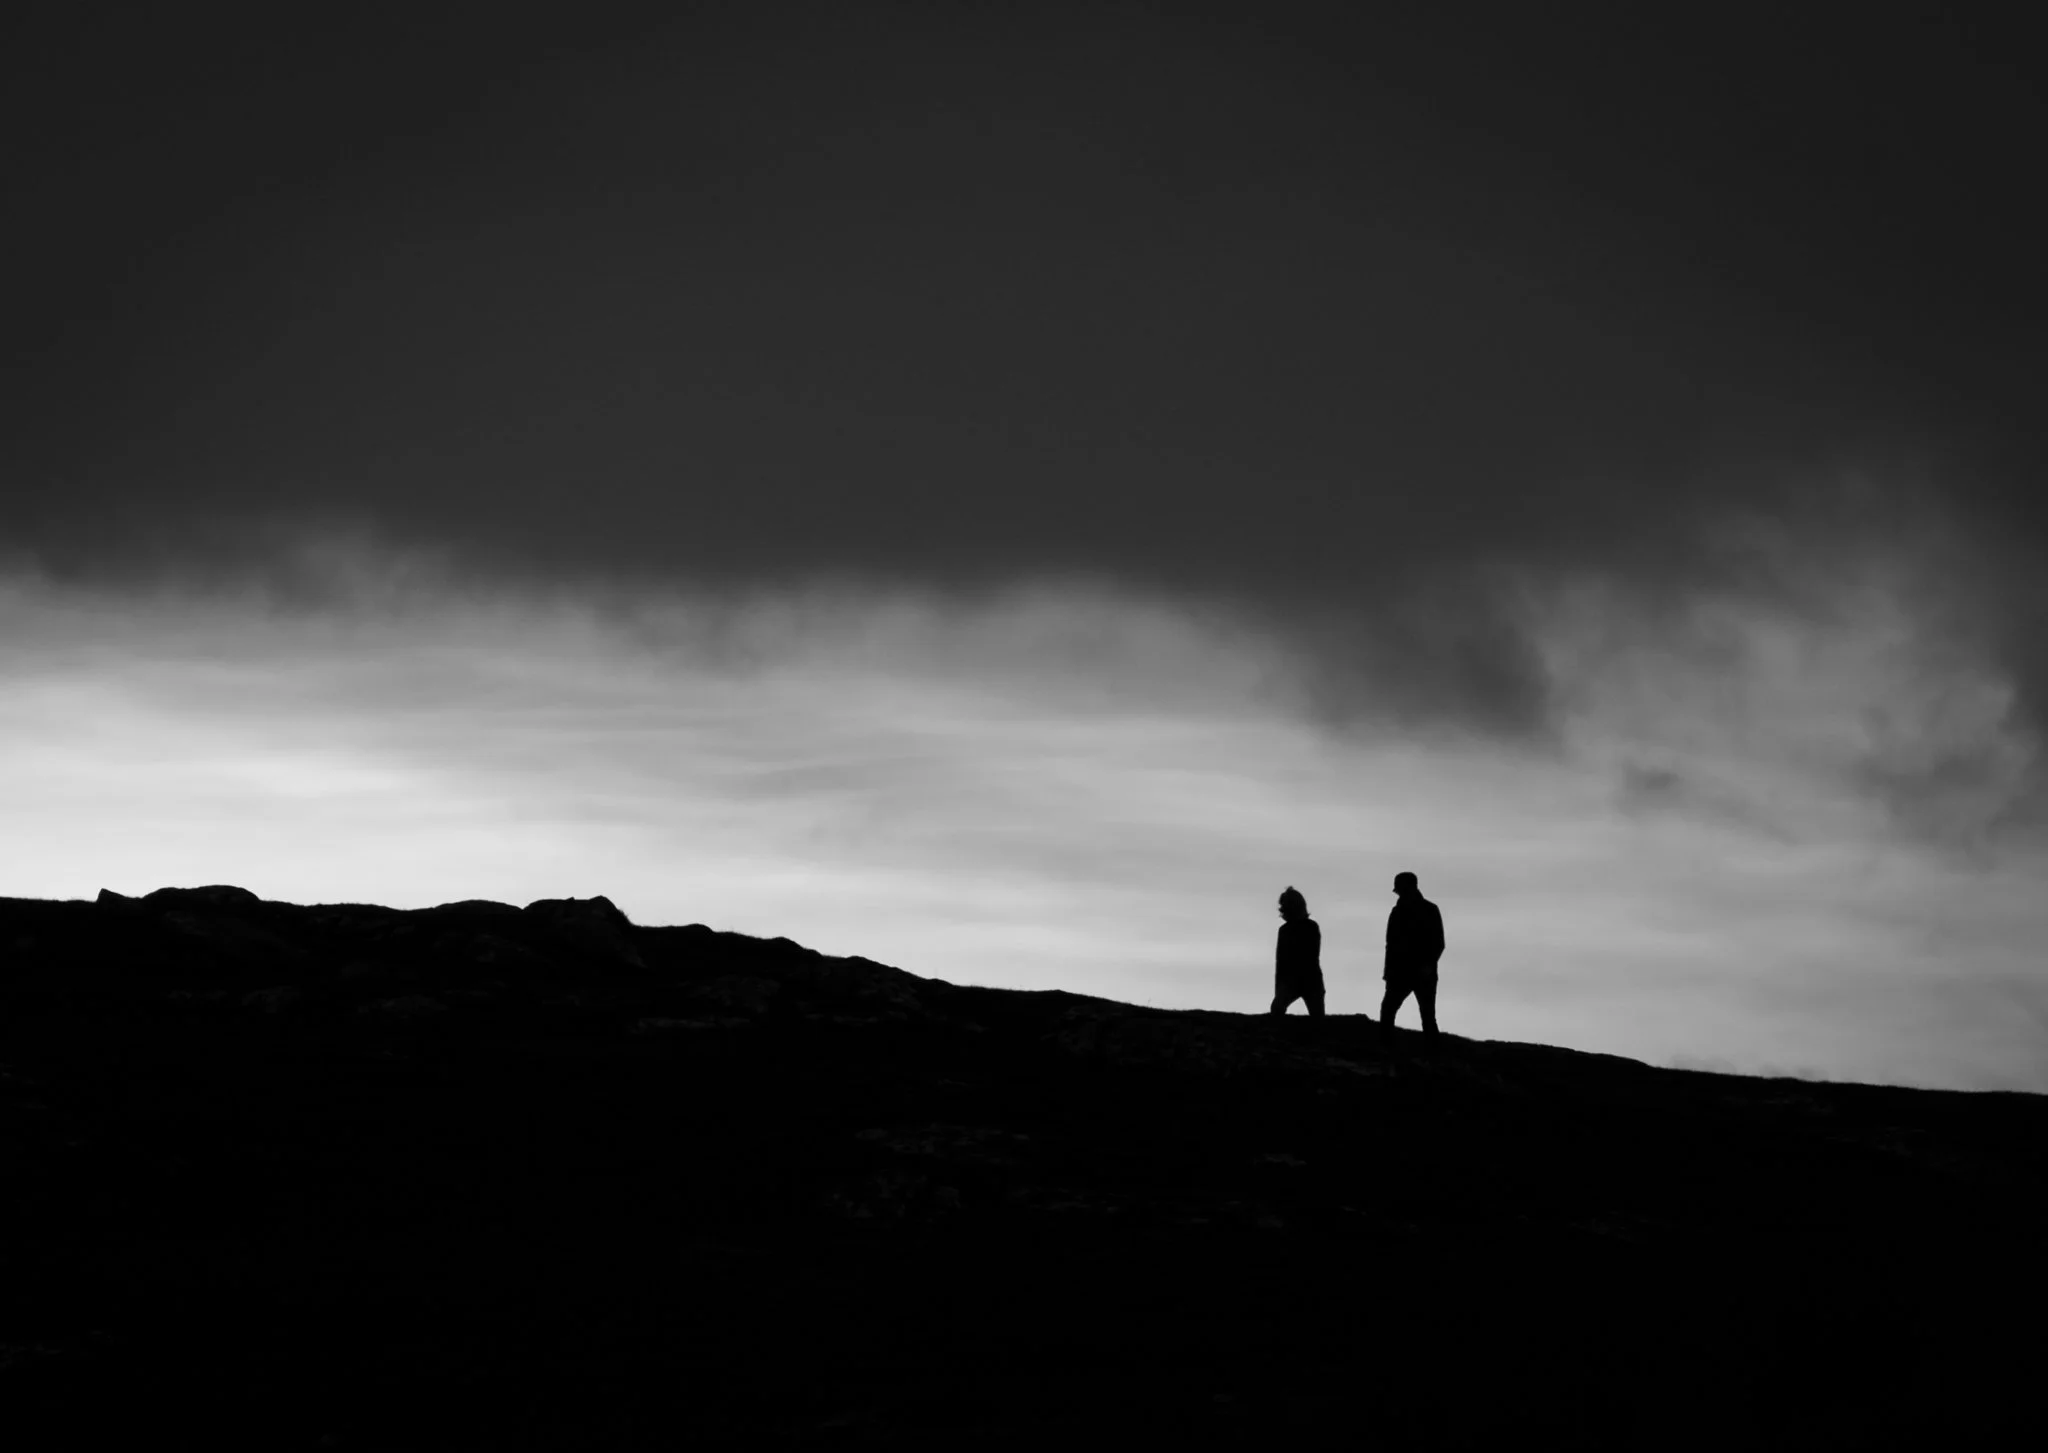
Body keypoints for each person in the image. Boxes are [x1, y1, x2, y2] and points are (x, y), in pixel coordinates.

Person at [1379, 870, 1443, 1039]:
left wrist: (1427, 966)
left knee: (1426, 1016)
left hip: (1418, 972)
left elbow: (1437, 943)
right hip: (1403, 972)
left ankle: (1433, 1050)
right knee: (1390, 1010)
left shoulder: (1428, 910)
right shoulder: (1401, 911)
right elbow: (1391, 944)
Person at [1270, 886, 1325, 1018]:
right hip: (1300, 981)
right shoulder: (1287, 930)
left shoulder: (1309, 928)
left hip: (1308, 980)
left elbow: (1310, 957)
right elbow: (1281, 962)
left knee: (1318, 1018)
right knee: (1277, 1008)